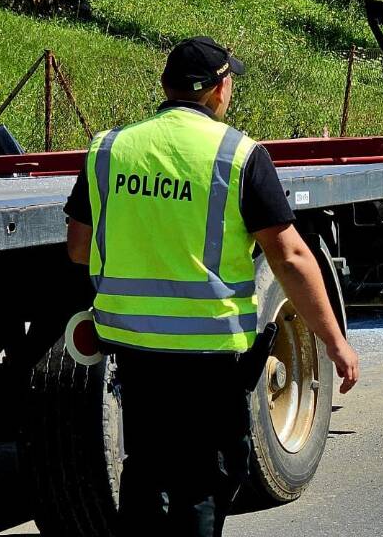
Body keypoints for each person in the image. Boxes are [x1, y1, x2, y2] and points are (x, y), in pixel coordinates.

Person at [64, 36, 359, 536]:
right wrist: (334, 342)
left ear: (165, 86)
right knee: (203, 481)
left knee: (146, 467)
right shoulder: (238, 156)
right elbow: (288, 257)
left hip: (135, 348)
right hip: (209, 354)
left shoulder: (109, 149)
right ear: (219, 90)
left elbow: (77, 246)